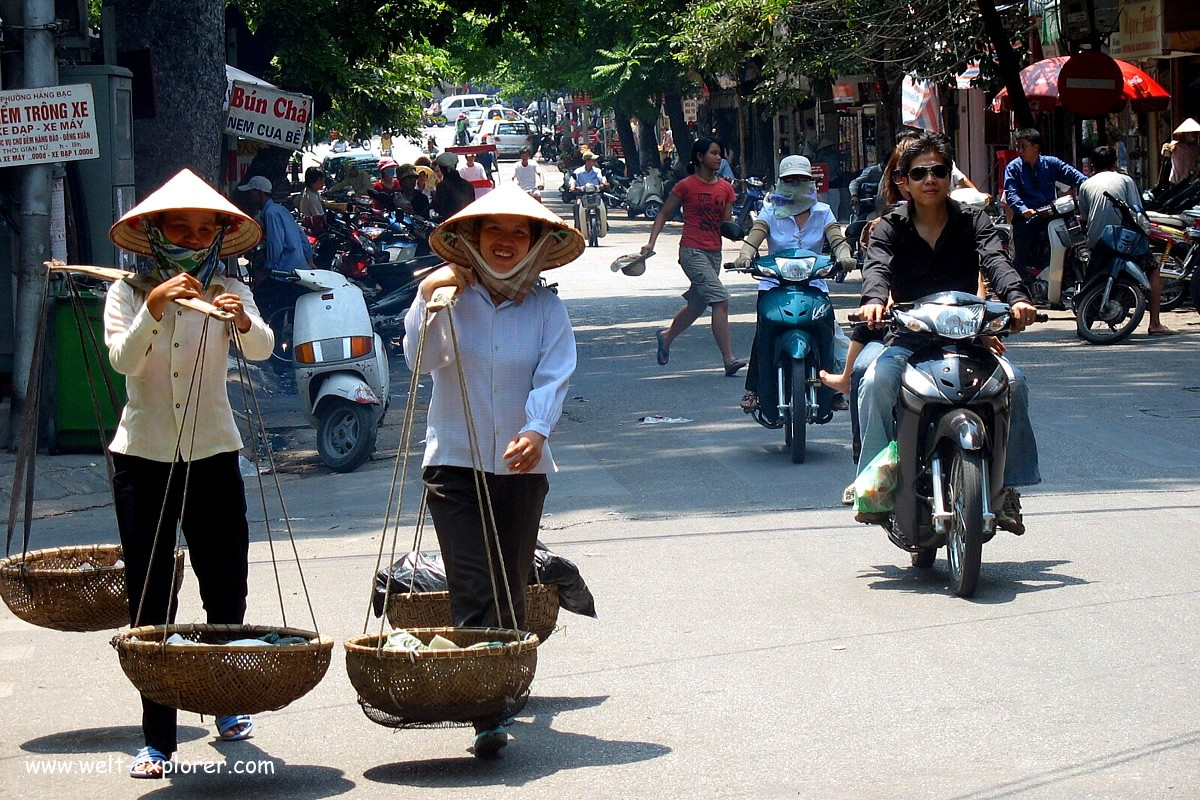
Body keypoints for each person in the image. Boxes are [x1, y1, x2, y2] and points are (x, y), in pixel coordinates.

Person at [103, 169, 273, 778]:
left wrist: (243, 322)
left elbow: (262, 350)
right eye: (182, 226)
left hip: (213, 452)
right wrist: (153, 309)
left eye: (206, 229)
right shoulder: (127, 291)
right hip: (142, 456)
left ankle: (227, 705)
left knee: (224, 583)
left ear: (218, 238)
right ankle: (157, 738)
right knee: (151, 598)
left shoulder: (227, 287)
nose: (194, 237)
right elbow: (124, 359)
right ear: (155, 233)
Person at [403, 185, 583, 759]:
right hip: (452, 463)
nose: (504, 243)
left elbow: (555, 374)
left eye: (518, 233)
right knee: (472, 586)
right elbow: (421, 363)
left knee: (509, 585)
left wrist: (536, 431)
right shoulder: (447, 298)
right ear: (473, 239)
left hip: (522, 469)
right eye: (493, 232)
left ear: (534, 244)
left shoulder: (546, 308)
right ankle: (484, 712)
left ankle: (499, 685)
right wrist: (428, 298)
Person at [856, 133, 1040, 532]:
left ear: (950, 177)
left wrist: (1017, 299)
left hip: (967, 335)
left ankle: (1007, 488)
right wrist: (873, 299)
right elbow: (878, 268)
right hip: (909, 337)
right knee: (875, 381)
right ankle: (873, 485)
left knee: (1016, 382)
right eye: (919, 172)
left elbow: (996, 261)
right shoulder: (889, 226)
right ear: (903, 181)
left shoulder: (974, 221)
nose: (929, 179)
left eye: (938, 170)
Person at [733, 155, 854, 414]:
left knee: (827, 330)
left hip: (814, 284)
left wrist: (844, 256)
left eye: (801, 179)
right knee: (763, 332)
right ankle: (753, 387)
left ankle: (832, 388)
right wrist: (745, 255)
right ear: (780, 182)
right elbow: (756, 234)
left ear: (811, 182)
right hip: (773, 284)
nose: (795, 184)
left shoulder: (823, 212)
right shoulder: (770, 210)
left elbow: (836, 238)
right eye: (790, 180)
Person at [641, 137, 743, 376]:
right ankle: (729, 359)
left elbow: (725, 224)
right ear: (699, 157)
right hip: (691, 250)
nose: (719, 158)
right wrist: (650, 243)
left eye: (720, 154)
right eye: (714, 153)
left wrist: (738, 233)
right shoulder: (686, 185)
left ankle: (666, 337)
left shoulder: (726, 188)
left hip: (713, 253)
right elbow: (664, 214)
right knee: (720, 299)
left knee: (697, 305)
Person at [1078, 145, 1176, 337]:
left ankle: (1083, 318)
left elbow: (1085, 216)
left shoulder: (1085, 185)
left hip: (1098, 242)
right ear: (1115, 163)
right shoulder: (1125, 180)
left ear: (1092, 165)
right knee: (1153, 269)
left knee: (1088, 269)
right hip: (1123, 240)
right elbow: (1137, 210)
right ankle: (1155, 323)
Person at [1003, 127, 1087, 287]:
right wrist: (1023, 209)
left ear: (1036, 147)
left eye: (1024, 146)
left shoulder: (1052, 164)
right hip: (1026, 219)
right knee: (1020, 258)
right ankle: (1022, 289)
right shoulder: (1013, 168)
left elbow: (1076, 177)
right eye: (1018, 147)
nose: (1020, 151)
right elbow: (1011, 194)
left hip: (1050, 216)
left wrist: (1092, 185)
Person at [238, 176, 314, 272]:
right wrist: (309, 259)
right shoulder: (280, 210)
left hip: (284, 271)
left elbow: (275, 245)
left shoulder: (270, 214)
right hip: (299, 267)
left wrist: (269, 269)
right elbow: (301, 235)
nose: (249, 196)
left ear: (260, 193)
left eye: (251, 192)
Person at [569, 151, 609, 235]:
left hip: (596, 194)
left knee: (604, 205)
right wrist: (573, 187)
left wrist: (604, 183)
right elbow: (573, 181)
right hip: (582, 195)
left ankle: (604, 222)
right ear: (587, 161)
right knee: (576, 206)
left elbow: (602, 178)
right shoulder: (578, 172)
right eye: (593, 160)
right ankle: (578, 226)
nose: (595, 162)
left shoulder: (597, 171)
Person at [430, 151, 475, 220]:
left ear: (442, 169)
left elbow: (439, 209)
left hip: (450, 224)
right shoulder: (468, 185)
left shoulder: (442, 186)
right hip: (468, 223)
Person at [1167, 118, 1200, 184]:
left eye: (1195, 133)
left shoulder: (1196, 149)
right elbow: (1165, 151)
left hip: (1190, 182)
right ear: (1186, 133)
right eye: (1192, 132)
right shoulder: (1176, 146)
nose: (1194, 135)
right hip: (1176, 183)